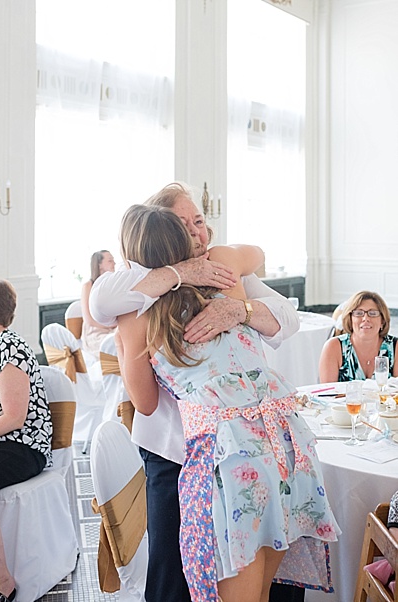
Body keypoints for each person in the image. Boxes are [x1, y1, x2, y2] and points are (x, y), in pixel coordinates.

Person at [89, 182, 303, 602]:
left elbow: (287, 317)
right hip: (177, 453)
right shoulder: (136, 289)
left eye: (200, 221)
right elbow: (99, 301)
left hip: (243, 447)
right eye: (183, 224)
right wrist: (180, 274)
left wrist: (240, 310)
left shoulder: (222, 268)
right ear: (165, 232)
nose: (196, 233)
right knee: (176, 573)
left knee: (251, 565)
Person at [0, 279, 53, 602]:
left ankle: (3, 582)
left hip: (24, 445)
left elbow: (14, 418)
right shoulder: (1, 344)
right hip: (12, 443)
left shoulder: (7, 345)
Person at [318, 290, 398, 383]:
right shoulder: (333, 347)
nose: (365, 318)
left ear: (382, 321)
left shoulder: (395, 347)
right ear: (350, 319)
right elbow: (328, 391)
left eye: (373, 313)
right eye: (359, 313)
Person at [80, 249, 117, 355]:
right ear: (99, 265)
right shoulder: (88, 286)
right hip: (95, 330)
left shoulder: (112, 285)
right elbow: (89, 320)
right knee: (112, 344)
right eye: (110, 260)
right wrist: (110, 326)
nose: (114, 263)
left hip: (112, 327)